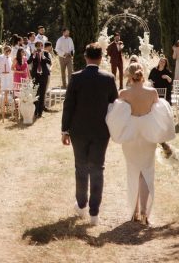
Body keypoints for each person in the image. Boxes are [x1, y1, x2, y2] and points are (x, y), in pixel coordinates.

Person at [106, 62, 175, 225]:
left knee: (133, 172)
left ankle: (134, 211)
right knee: (146, 173)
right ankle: (144, 211)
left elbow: (116, 116)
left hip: (130, 137)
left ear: (129, 76)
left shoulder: (123, 93)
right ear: (142, 74)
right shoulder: (152, 93)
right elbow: (160, 116)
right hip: (147, 137)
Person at [61, 42, 118, 226]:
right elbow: (115, 106)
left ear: (85, 57)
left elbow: (68, 105)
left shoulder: (76, 77)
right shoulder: (109, 78)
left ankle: (81, 204)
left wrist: (65, 130)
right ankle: (94, 213)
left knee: (81, 168)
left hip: (78, 131)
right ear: (101, 58)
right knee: (97, 169)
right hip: (102, 132)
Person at [28, 40, 51, 117]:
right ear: (36, 46)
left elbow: (49, 62)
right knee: (35, 93)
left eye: (41, 46)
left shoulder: (46, 53)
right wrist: (33, 56)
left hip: (44, 75)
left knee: (42, 93)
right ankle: (35, 111)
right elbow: (28, 62)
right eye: (38, 46)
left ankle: (40, 112)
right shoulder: (33, 53)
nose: (39, 47)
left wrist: (43, 56)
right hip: (36, 75)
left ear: (42, 46)